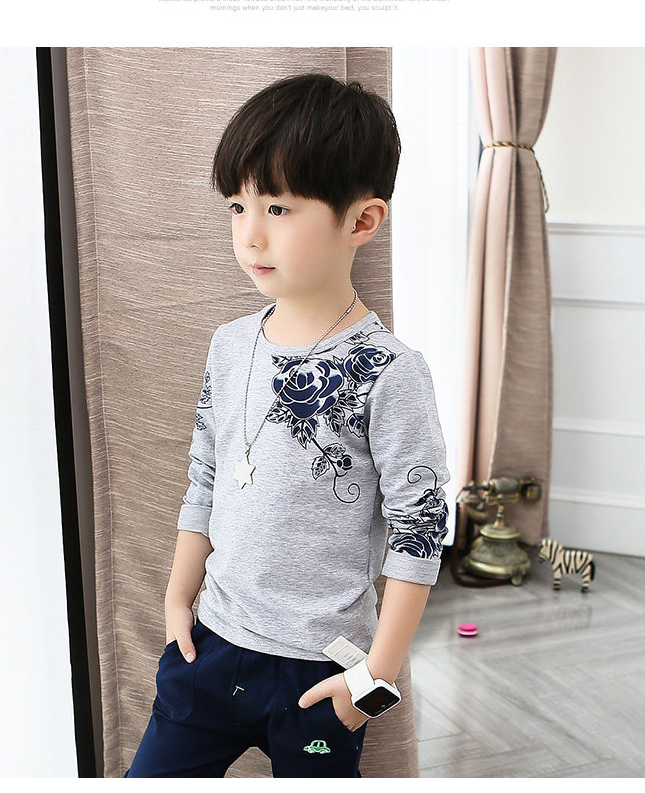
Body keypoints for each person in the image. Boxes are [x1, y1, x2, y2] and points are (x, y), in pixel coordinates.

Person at [124, 71, 451, 778]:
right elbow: (206, 473)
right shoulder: (229, 344)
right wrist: (178, 600)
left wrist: (374, 681)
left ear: (361, 221)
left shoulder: (391, 371)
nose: (250, 233)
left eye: (277, 207)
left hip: (318, 675)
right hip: (208, 649)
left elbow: (420, 529)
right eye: (237, 206)